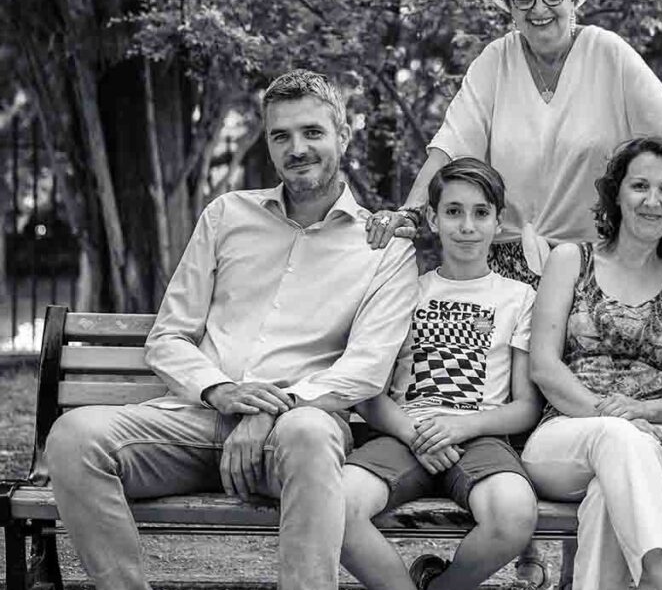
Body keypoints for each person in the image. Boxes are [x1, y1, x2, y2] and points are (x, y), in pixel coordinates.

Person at [43, 69, 419, 590]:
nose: (297, 148)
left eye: (312, 132)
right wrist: (222, 392)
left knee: (309, 434)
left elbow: (365, 369)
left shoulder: (385, 248)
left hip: (295, 432)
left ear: (343, 136)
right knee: (73, 437)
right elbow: (169, 335)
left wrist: (269, 411)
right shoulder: (226, 215)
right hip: (193, 420)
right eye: (280, 136)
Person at [365, 0, 662, 288]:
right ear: (510, 8)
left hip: (598, 259)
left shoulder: (608, 52)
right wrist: (410, 212)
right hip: (507, 263)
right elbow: (449, 148)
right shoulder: (496, 60)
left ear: (574, 0)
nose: (539, 8)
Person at [339, 157, 542, 590]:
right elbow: (367, 392)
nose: (467, 225)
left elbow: (525, 406)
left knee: (514, 513)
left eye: (480, 212)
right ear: (432, 218)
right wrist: (416, 433)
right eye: (453, 211)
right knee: (331, 505)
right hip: (402, 433)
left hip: (479, 436)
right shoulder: (406, 289)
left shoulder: (519, 297)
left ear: (497, 221)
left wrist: (460, 425)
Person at [522, 138, 662, 590]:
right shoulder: (571, 260)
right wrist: (609, 413)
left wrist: (641, 412)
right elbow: (544, 367)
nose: (652, 200)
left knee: (613, 485)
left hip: (659, 440)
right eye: (639, 185)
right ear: (617, 194)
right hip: (566, 434)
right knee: (616, 439)